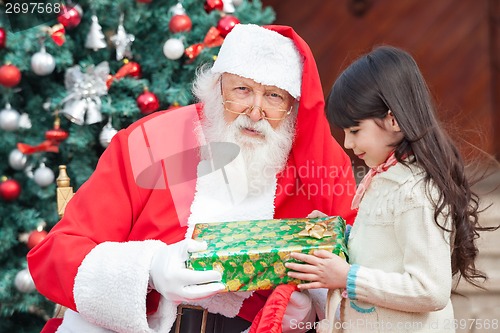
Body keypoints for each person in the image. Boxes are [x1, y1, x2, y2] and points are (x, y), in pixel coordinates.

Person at [27, 24, 357, 333]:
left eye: (274, 96)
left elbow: (367, 267)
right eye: (242, 90)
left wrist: (310, 305)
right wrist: (150, 269)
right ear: (217, 88)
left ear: (292, 107)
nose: (255, 112)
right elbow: (57, 254)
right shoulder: (149, 142)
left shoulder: (320, 166)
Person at [285, 45, 498, 332]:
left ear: (393, 120)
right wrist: (337, 234)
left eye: (355, 131)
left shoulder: (416, 192)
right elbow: (386, 248)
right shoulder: (387, 175)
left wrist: (348, 277)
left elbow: (430, 289)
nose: (348, 144)